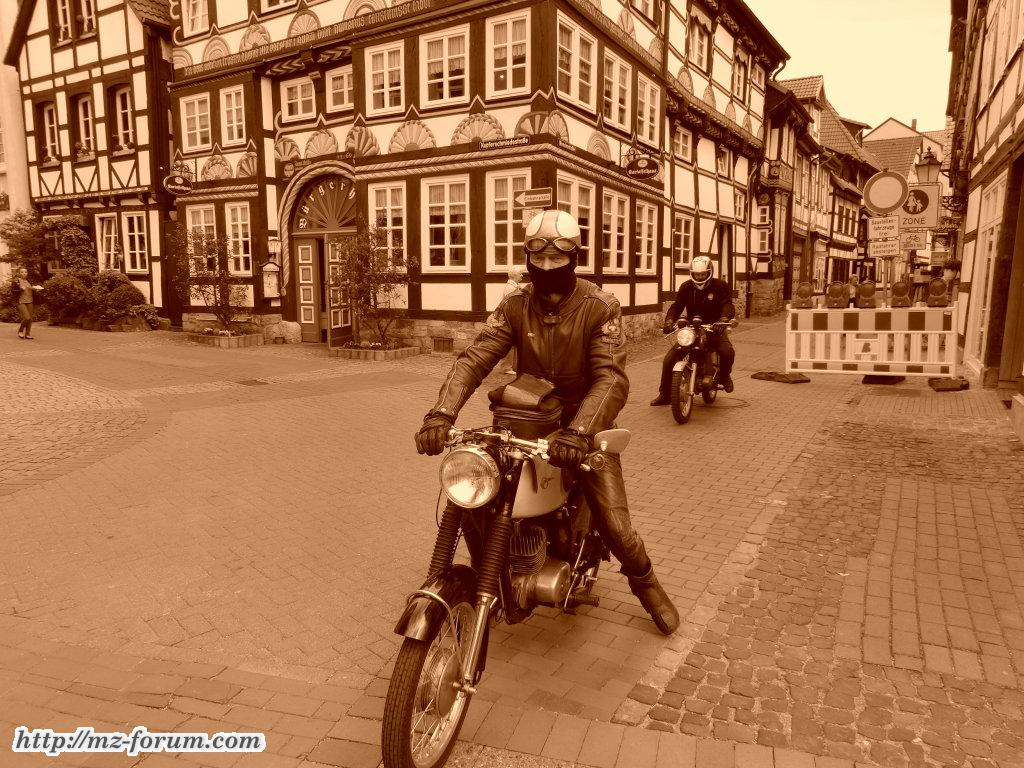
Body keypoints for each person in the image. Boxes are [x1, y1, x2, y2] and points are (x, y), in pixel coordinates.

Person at [413, 210, 680, 635]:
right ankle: (492, 579)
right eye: (538, 258)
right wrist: (441, 413)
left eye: (558, 258)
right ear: (527, 258)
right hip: (526, 421)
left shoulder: (600, 306)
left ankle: (646, 582)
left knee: (615, 523)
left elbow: (610, 377)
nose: (547, 266)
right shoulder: (515, 305)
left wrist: (579, 431)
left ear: (575, 258)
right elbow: (475, 358)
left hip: (583, 426)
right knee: (477, 495)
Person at [651, 256, 736, 405]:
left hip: (714, 327)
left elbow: (727, 305)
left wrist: (723, 319)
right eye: (697, 274)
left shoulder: (720, 286)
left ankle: (724, 376)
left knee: (727, 352)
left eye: (703, 274)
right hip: (692, 329)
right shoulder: (686, 287)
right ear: (692, 273)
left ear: (709, 272)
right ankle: (664, 394)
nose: (700, 277)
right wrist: (669, 321)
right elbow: (677, 306)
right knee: (669, 359)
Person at [501, 266, 526, 375]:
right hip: (511, 319)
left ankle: (513, 366)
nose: (522, 275)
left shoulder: (514, 286)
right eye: (520, 274)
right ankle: (506, 367)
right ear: (515, 275)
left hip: (514, 318)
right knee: (510, 343)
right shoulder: (511, 288)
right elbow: (512, 305)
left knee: (515, 343)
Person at [13, 267, 43, 340]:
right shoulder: (16, 281)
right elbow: (13, 291)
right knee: (27, 317)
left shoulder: (29, 281)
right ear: (19, 273)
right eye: (22, 272)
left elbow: (31, 290)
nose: (24, 273)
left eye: (25, 272)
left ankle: (27, 334)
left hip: (30, 301)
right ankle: (20, 330)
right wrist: (20, 289)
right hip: (21, 301)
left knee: (30, 319)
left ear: (27, 273)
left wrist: (36, 290)